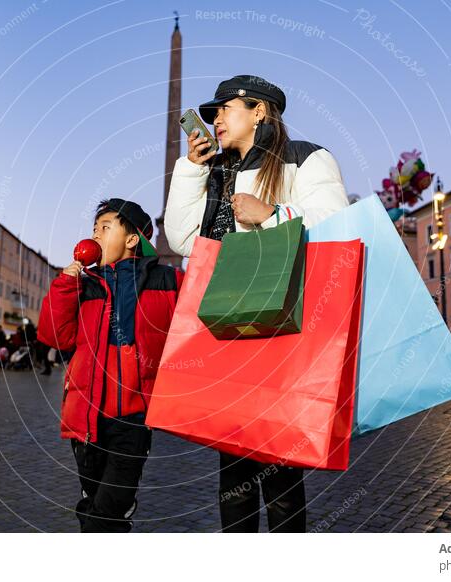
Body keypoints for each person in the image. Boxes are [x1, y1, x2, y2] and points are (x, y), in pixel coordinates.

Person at [164, 75, 349, 533]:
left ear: (260, 111)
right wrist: (192, 170)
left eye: (225, 108)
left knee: (282, 470)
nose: (216, 119)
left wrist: (272, 215)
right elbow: (183, 238)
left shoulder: (305, 158)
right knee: (234, 473)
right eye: (213, 113)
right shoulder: (218, 170)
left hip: (283, 325)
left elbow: (336, 227)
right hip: (228, 323)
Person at [37, 198, 182, 532]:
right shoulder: (83, 285)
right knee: (92, 502)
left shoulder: (167, 280)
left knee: (103, 514)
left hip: (134, 418)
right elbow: (55, 337)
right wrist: (64, 286)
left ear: (132, 240)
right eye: (93, 229)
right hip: (86, 417)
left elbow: (196, 324)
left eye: (105, 227)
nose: (96, 235)